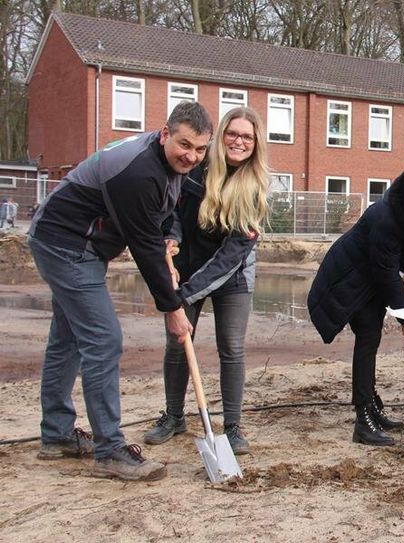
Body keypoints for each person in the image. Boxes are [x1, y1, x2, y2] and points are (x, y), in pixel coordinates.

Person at [28, 101, 212, 481]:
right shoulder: (139, 172)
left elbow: (166, 215)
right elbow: (144, 247)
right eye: (184, 145)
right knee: (103, 339)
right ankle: (110, 451)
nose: (191, 156)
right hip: (65, 245)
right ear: (165, 134)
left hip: (81, 245)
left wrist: (171, 237)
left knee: (67, 340)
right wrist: (174, 310)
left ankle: (57, 434)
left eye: (199, 148)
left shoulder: (168, 164)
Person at [143, 107, 269, 455]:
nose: (239, 141)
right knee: (179, 340)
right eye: (233, 133)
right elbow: (175, 212)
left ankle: (232, 427)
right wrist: (172, 236)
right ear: (221, 135)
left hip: (231, 275)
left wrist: (186, 293)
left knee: (231, 347)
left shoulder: (255, 189)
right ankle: (173, 416)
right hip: (187, 265)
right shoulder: (197, 168)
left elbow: (231, 255)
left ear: (255, 143)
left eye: (247, 136)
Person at [308, 161, 404, 446]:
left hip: (373, 275)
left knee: (370, 339)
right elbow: (384, 269)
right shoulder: (386, 216)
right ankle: (363, 420)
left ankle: (372, 406)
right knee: (367, 338)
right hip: (350, 278)